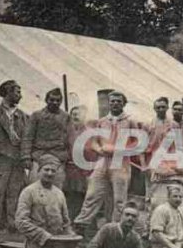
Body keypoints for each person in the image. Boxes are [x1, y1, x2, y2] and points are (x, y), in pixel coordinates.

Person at [74, 91, 145, 229]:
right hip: (103, 161)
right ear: (109, 103)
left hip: (121, 161)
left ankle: (116, 227)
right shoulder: (102, 122)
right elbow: (94, 141)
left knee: (119, 199)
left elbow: (138, 144)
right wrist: (99, 149)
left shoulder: (130, 121)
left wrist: (119, 149)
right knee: (93, 193)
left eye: (118, 101)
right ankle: (81, 225)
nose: (115, 104)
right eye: (112, 101)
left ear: (123, 104)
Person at [0, 79, 29, 234]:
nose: (20, 96)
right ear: (7, 92)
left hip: (17, 160)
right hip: (0, 159)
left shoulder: (23, 116)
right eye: (17, 92)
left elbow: (27, 139)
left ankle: (12, 225)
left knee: (14, 193)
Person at [21, 88, 71, 188]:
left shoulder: (66, 117)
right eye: (52, 100)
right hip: (38, 156)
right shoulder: (36, 115)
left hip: (58, 157)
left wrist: (67, 155)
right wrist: (26, 157)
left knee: (56, 188)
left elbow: (70, 137)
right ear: (46, 100)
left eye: (58, 100)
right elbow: (27, 137)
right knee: (34, 187)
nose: (55, 102)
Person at [64, 104, 94, 223]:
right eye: (73, 114)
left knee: (83, 196)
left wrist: (88, 171)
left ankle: (82, 224)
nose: (75, 116)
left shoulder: (89, 133)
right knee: (69, 196)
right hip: (68, 169)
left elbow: (92, 153)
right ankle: (68, 222)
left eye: (78, 114)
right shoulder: (66, 131)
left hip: (84, 170)